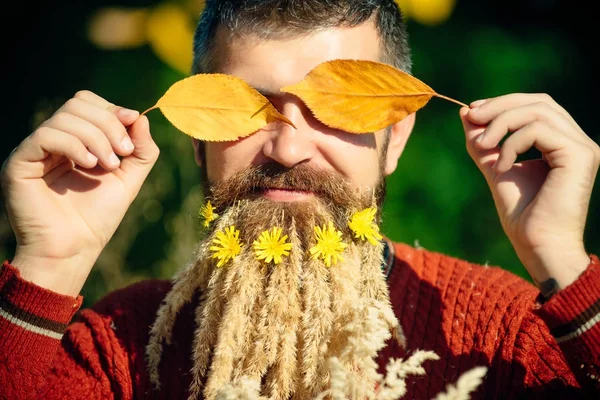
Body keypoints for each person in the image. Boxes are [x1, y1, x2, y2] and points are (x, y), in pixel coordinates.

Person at [1, 0, 599, 399]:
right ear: (195, 139)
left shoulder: (502, 339)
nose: (287, 148)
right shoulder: (121, 350)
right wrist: (49, 266)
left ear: (394, 140)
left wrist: (564, 266)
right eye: (247, 108)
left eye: (335, 111)